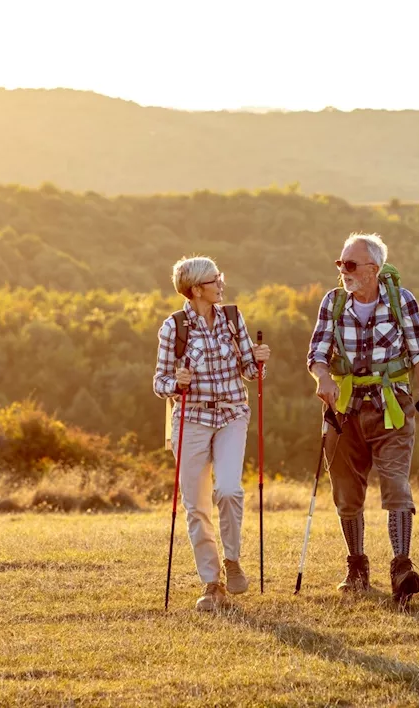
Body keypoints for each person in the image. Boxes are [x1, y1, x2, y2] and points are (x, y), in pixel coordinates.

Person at [305, 233, 419, 605]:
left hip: (391, 407)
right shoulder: (332, 303)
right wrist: (324, 379)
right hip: (343, 410)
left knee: (396, 483)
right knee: (346, 492)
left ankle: (401, 567)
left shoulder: (402, 301)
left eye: (350, 265)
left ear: (373, 270)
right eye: (340, 264)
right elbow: (317, 353)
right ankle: (357, 566)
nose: (343, 271)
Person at [153, 256, 271, 611]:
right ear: (196, 289)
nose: (222, 283)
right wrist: (177, 382)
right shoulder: (173, 327)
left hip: (232, 415)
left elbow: (251, 371)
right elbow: (160, 383)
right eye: (215, 279)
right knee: (196, 506)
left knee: (229, 489)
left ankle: (232, 560)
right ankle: (211, 583)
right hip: (191, 421)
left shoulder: (233, 319)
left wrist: (259, 359)